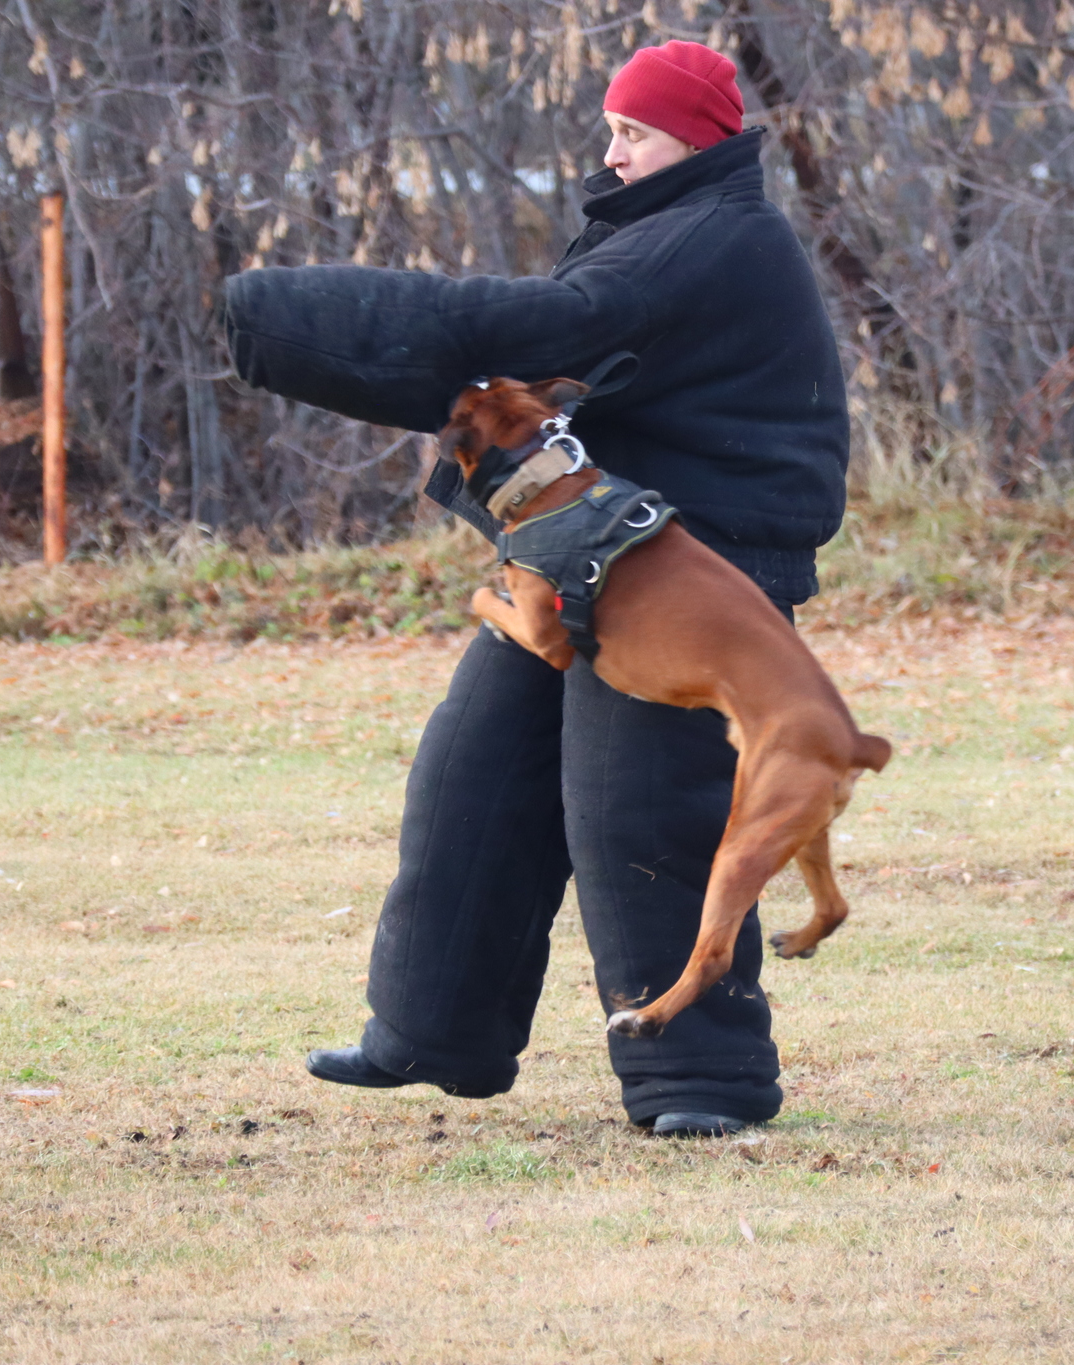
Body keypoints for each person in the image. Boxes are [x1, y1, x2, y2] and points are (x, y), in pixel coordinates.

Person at [223, 40, 847, 1137]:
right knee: (472, 777)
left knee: (640, 815)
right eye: (609, 127)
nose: (610, 150)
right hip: (590, 555)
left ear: (695, 139)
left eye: (634, 132)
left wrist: (278, 316)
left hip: (694, 568)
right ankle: (429, 1038)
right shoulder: (654, 228)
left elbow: (527, 328)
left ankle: (701, 1085)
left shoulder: (708, 239)